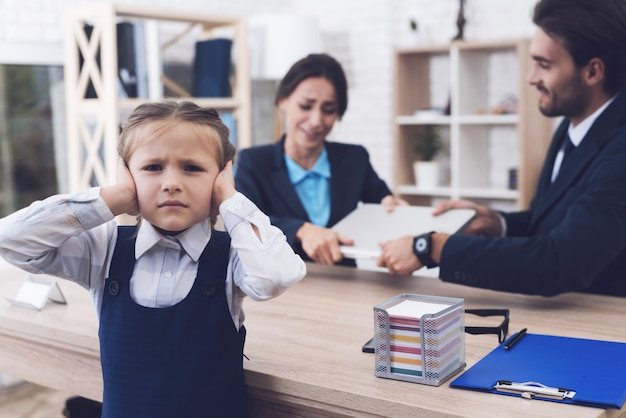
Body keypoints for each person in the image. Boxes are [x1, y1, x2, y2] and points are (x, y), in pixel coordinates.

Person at [0, 101, 306, 417]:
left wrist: (229, 199)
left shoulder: (233, 256)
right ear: (127, 172)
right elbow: (9, 239)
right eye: (152, 167)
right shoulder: (104, 249)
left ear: (221, 176)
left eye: (192, 167)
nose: (171, 182)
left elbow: (276, 277)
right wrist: (114, 197)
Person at [377, 0, 626, 297]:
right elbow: (548, 223)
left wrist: (434, 248)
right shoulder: (573, 124)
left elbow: (559, 261)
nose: (531, 78)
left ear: (593, 72)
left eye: (544, 65)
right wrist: (498, 223)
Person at [235, 53, 406, 266]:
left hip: (345, 283)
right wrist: (301, 230)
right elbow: (243, 224)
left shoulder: (355, 159)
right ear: (283, 100)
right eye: (306, 106)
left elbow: (382, 202)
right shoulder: (253, 162)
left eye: (328, 110)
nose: (316, 121)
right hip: (279, 286)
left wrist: (393, 209)